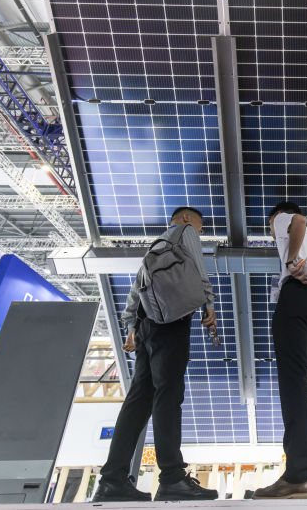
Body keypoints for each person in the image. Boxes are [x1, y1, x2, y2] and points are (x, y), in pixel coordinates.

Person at [94, 207, 218, 502]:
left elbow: (137, 289)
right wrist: (209, 304)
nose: (200, 233)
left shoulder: (157, 245)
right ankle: (172, 477)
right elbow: (199, 269)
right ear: (187, 219)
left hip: (146, 324)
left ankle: (112, 480)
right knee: (168, 394)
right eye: (200, 227)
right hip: (171, 322)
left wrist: (131, 327)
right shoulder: (184, 233)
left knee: (139, 399)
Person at [255, 202, 307, 500]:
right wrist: (303, 264)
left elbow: (298, 219)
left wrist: (290, 262)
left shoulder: (281, 219)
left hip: (295, 296)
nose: (273, 234)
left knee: (292, 385)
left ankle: (298, 476)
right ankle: (302, 476)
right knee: (300, 386)